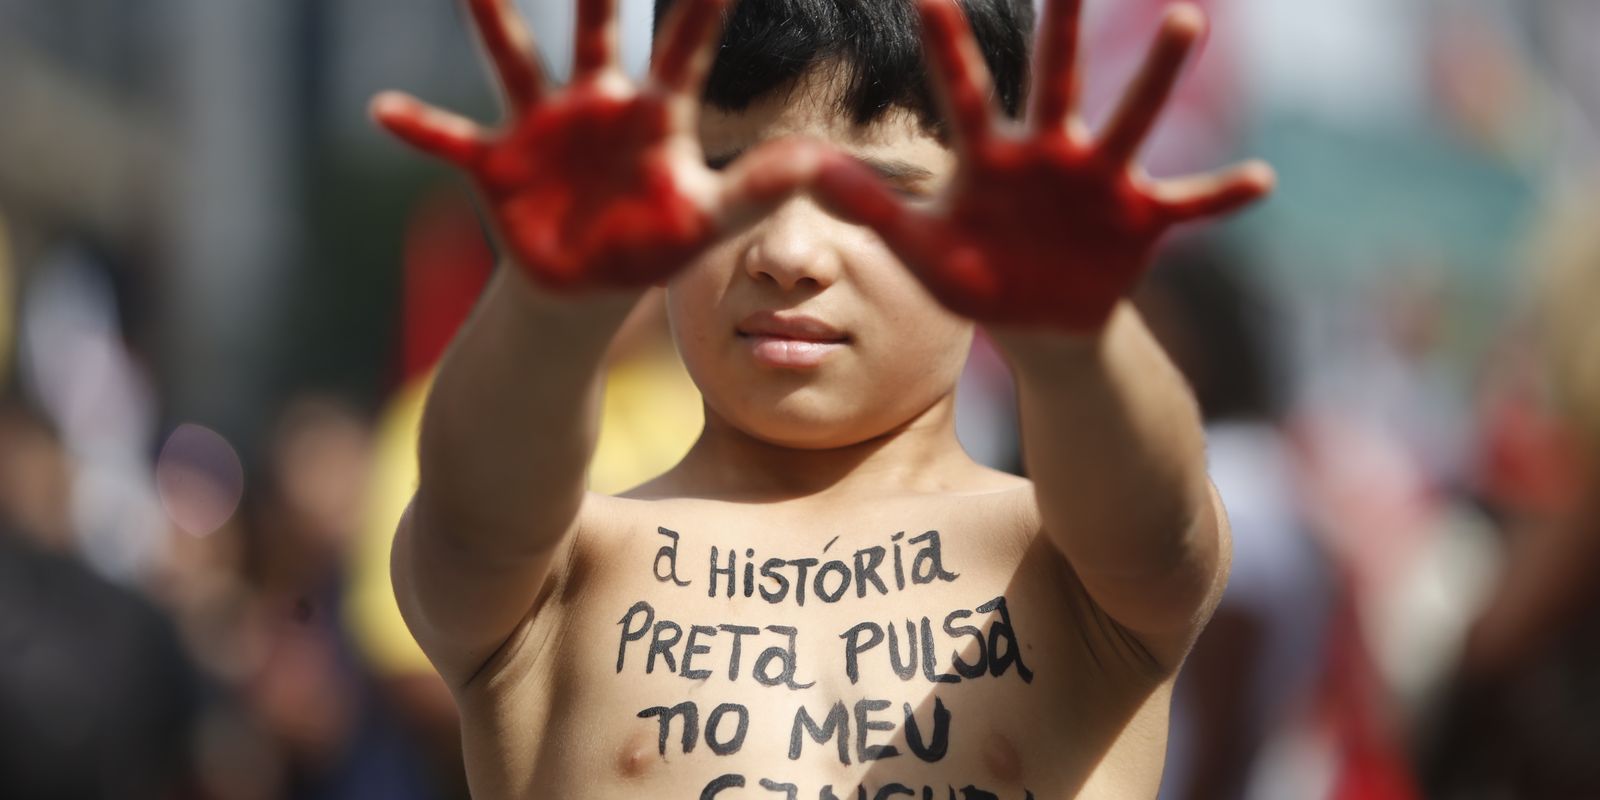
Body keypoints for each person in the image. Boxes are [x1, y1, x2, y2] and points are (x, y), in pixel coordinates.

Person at [368, 0, 1274, 796]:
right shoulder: (567, 572)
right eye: (726, 176)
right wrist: (548, 303)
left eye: (877, 196)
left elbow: (1162, 531)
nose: (790, 251)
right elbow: (469, 528)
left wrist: (1078, 331)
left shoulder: (1063, 566)